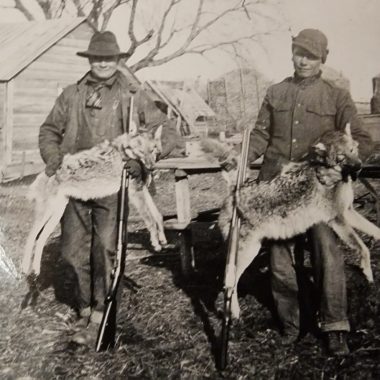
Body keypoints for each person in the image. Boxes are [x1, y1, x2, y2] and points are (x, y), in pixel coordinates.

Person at [39, 31, 181, 346]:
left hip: (111, 184)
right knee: (72, 251)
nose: (103, 63)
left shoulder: (133, 94)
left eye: (109, 58)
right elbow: (49, 130)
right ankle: (85, 309)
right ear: (89, 60)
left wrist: (145, 161)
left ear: (118, 61)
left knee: (104, 248)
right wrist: (53, 160)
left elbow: (164, 130)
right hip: (75, 183)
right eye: (97, 57)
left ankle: (101, 313)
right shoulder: (71, 94)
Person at [246, 29, 373, 355]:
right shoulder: (276, 92)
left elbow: (359, 138)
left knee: (326, 249)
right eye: (299, 52)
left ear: (322, 60)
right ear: (291, 53)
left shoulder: (336, 95)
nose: (304, 60)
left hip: (318, 192)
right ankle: (290, 325)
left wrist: (343, 168)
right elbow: (259, 137)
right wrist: (239, 158)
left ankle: (335, 327)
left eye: (311, 55)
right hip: (276, 189)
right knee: (278, 257)